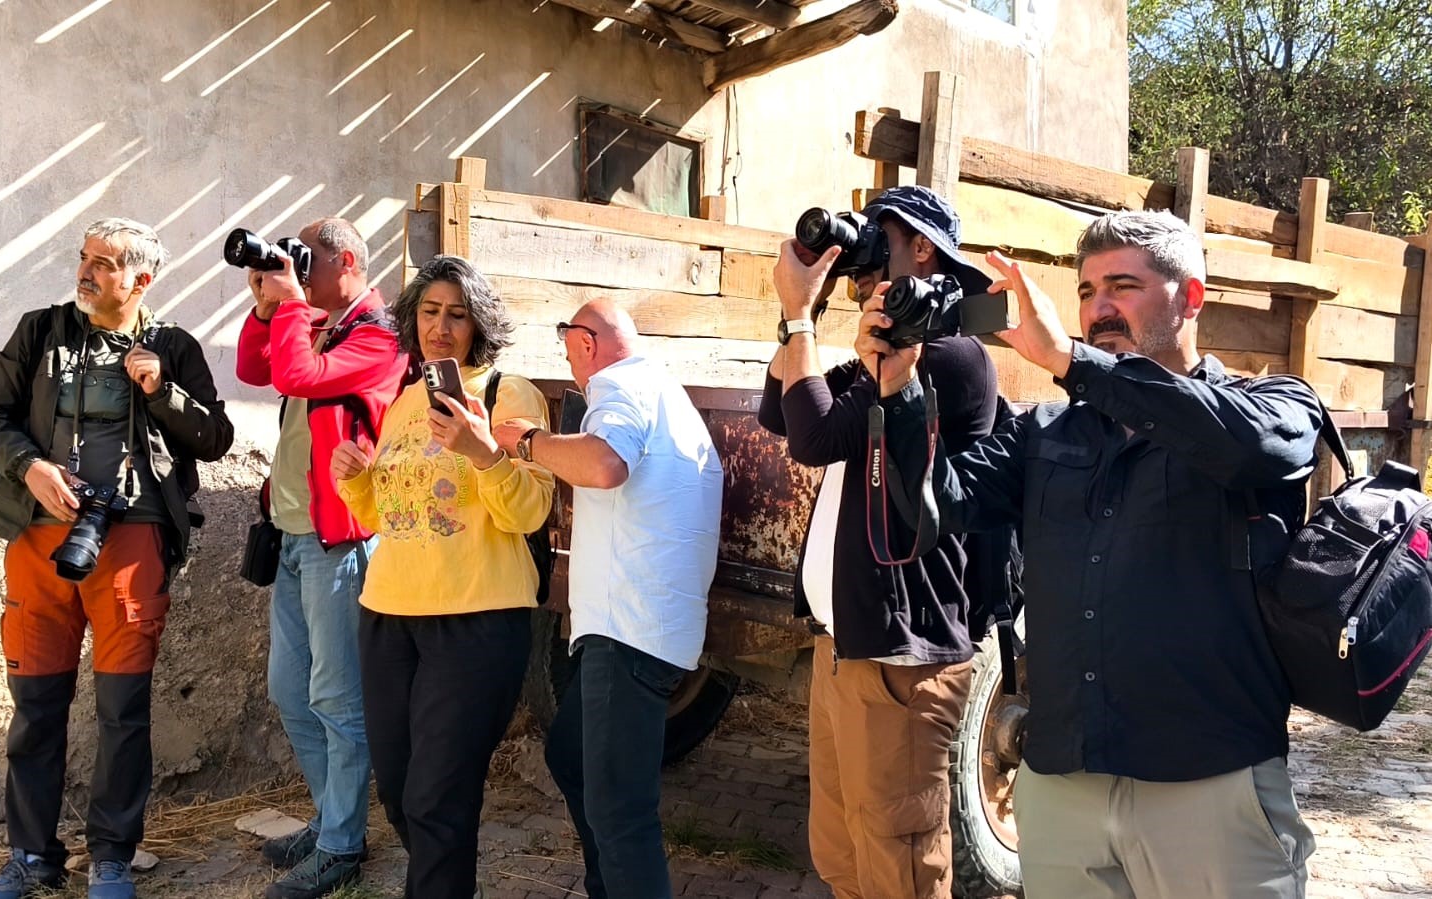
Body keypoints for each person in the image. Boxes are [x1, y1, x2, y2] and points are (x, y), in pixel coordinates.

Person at [870, 210, 1320, 898]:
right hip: (1063, 788)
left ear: (1190, 297)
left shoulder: (1270, 405)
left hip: (1209, 784)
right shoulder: (1046, 429)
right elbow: (940, 503)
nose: (1098, 308)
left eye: (1122, 286)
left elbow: (1247, 447)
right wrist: (899, 388)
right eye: (1085, 292)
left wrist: (1074, 363)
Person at [0, 217, 234, 899]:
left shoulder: (172, 345)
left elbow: (215, 438)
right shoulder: (40, 331)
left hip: (131, 542)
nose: (85, 271)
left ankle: (112, 856)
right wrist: (29, 467)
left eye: (103, 263)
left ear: (140, 279)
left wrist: (161, 391)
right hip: (38, 536)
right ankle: (32, 856)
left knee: (122, 709)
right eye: (85, 258)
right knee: (36, 707)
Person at [760, 186, 1001, 899]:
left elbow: (812, 438)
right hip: (845, 647)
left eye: (876, 238)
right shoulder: (885, 349)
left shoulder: (948, 355)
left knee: (899, 872)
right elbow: (779, 409)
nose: (859, 253)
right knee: (843, 861)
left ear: (922, 248)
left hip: (901, 657)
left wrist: (800, 316)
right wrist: (797, 318)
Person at [330, 254, 553, 899]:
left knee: (437, 798)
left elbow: (530, 511)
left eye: (457, 314)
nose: (441, 327)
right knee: (400, 791)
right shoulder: (405, 402)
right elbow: (388, 517)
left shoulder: (507, 394)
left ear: (478, 324)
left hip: (476, 619)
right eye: (429, 311)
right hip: (388, 613)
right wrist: (356, 480)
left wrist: (483, 453)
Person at [492, 300, 724, 899]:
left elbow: (604, 464)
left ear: (586, 343)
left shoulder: (617, 387)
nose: (570, 363)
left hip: (630, 627)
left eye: (567, 345)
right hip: (641, 626)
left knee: (621, 812)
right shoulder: (660, 391)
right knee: (571, 759)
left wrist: (528, 442)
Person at [236, 217, 408, 899]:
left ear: (348, 263)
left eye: (308, 261)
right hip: (291, 535)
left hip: (339, 540)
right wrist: (266, 309)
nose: (298, 273)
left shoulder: (379, 337)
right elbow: (255, 368)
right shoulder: (322, 324)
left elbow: (297, 375)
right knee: (291, 690)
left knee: (337, 698)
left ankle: (341, 843)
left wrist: (289, 305)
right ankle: (332, 816)